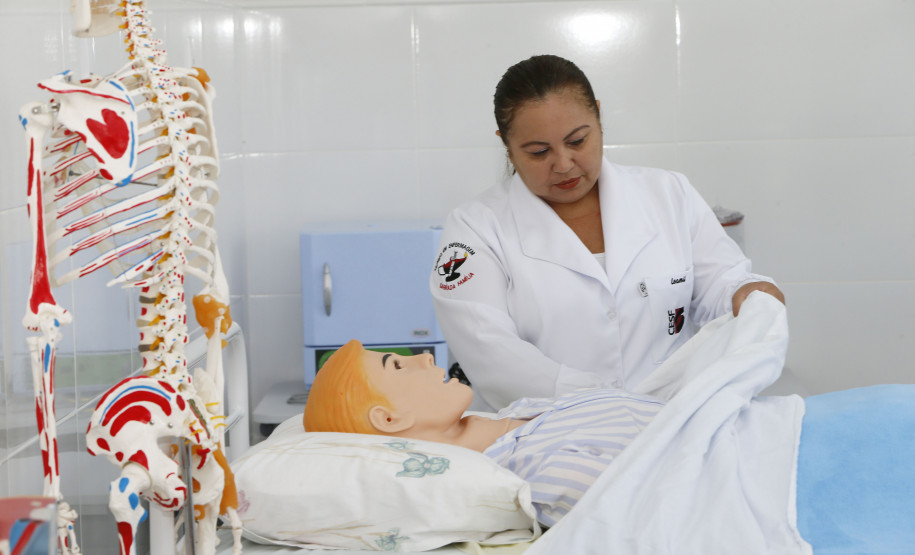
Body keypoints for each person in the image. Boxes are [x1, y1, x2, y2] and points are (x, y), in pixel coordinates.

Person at [303, 333, 915, 549]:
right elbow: (657, 504)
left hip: (809, 426)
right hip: (802, 489)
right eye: (393, 367)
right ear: (388, 424)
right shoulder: (523, 477)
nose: (416, 357)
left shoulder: (523, 414)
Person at [430, 54, 785, 410]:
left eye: (577, 141)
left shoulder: (668, 194)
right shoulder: (476, 227)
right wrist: (605, 404)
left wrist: (746, 293)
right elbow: (490, 351)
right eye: (539, 152)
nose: (564, 164)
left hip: (671, 424)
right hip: (544, 437)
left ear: (597, 116)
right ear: (506, 143)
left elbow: (722, 284)